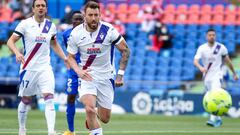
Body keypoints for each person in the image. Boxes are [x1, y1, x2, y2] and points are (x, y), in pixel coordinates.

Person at [66, 1, 130, 135]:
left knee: (105, 118)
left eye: (96, 15)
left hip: (106, 77)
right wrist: (78, 71)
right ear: (85, 15)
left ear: (100, 15)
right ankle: (92, 120)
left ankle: (91, 118)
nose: (94, 18)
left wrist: (120, 74)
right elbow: (70, 57)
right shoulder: (76, 33)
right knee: (89, 108)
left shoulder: (109, 30)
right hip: (87, 76)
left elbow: (125, 50)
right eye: (90, 15)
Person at [7, 0, 68, 135]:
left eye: (43, 6)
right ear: (33, 9)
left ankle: (51, 131)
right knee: (26, 99)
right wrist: (17, 53)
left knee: (49, 97)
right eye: (38, 6)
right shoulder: (25, 24)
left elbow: (54, 44)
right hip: (28, 68)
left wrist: (65, 58)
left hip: (45, 68)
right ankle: (22, 129)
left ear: (46, 9)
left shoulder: (51, 26)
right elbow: (10, 41)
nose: (41, 8)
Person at [193, 29, 238, 127]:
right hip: (206, 77)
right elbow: (195, 61)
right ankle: (219, 119)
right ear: (206, 36)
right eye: (210, 35)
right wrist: (200, 68)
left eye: (213, 35)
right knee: (211, 98)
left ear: (215, 36)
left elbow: (228, 61)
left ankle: (212, 119)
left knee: (214, 95)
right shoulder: (202, 48)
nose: (212, 36)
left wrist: (234, 73)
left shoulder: (221, 47)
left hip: (217, 76)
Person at [62, 11, 84, 135]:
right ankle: (71, 131)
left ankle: (93, 129)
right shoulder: (66, 34)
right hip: (73, 71)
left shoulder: (89, 33)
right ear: (72, 21)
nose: (78, 22)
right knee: (70, 97)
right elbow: (70, 52)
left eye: (80, 19)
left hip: (87, 70)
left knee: (89, 100)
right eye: (75, 19)